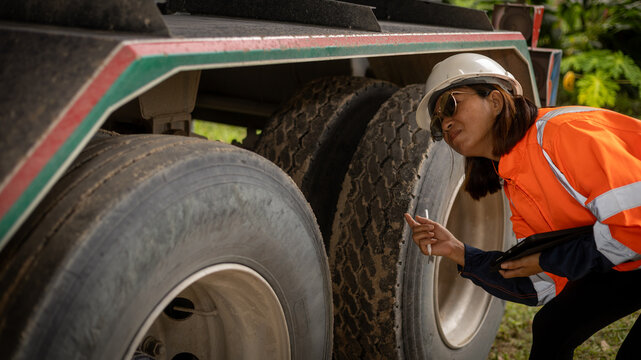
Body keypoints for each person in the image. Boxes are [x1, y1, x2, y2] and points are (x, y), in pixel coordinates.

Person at [403, 53, 641, 359]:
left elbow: (634, 228)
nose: (446, 123)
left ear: (496, 101)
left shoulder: (562, 135)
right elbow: (540, 283)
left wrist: (550, 258)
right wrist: (457, 251)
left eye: (450, 105)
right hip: (630, 257)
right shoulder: (517, 183)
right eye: (438, 123)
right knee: (552, 327)